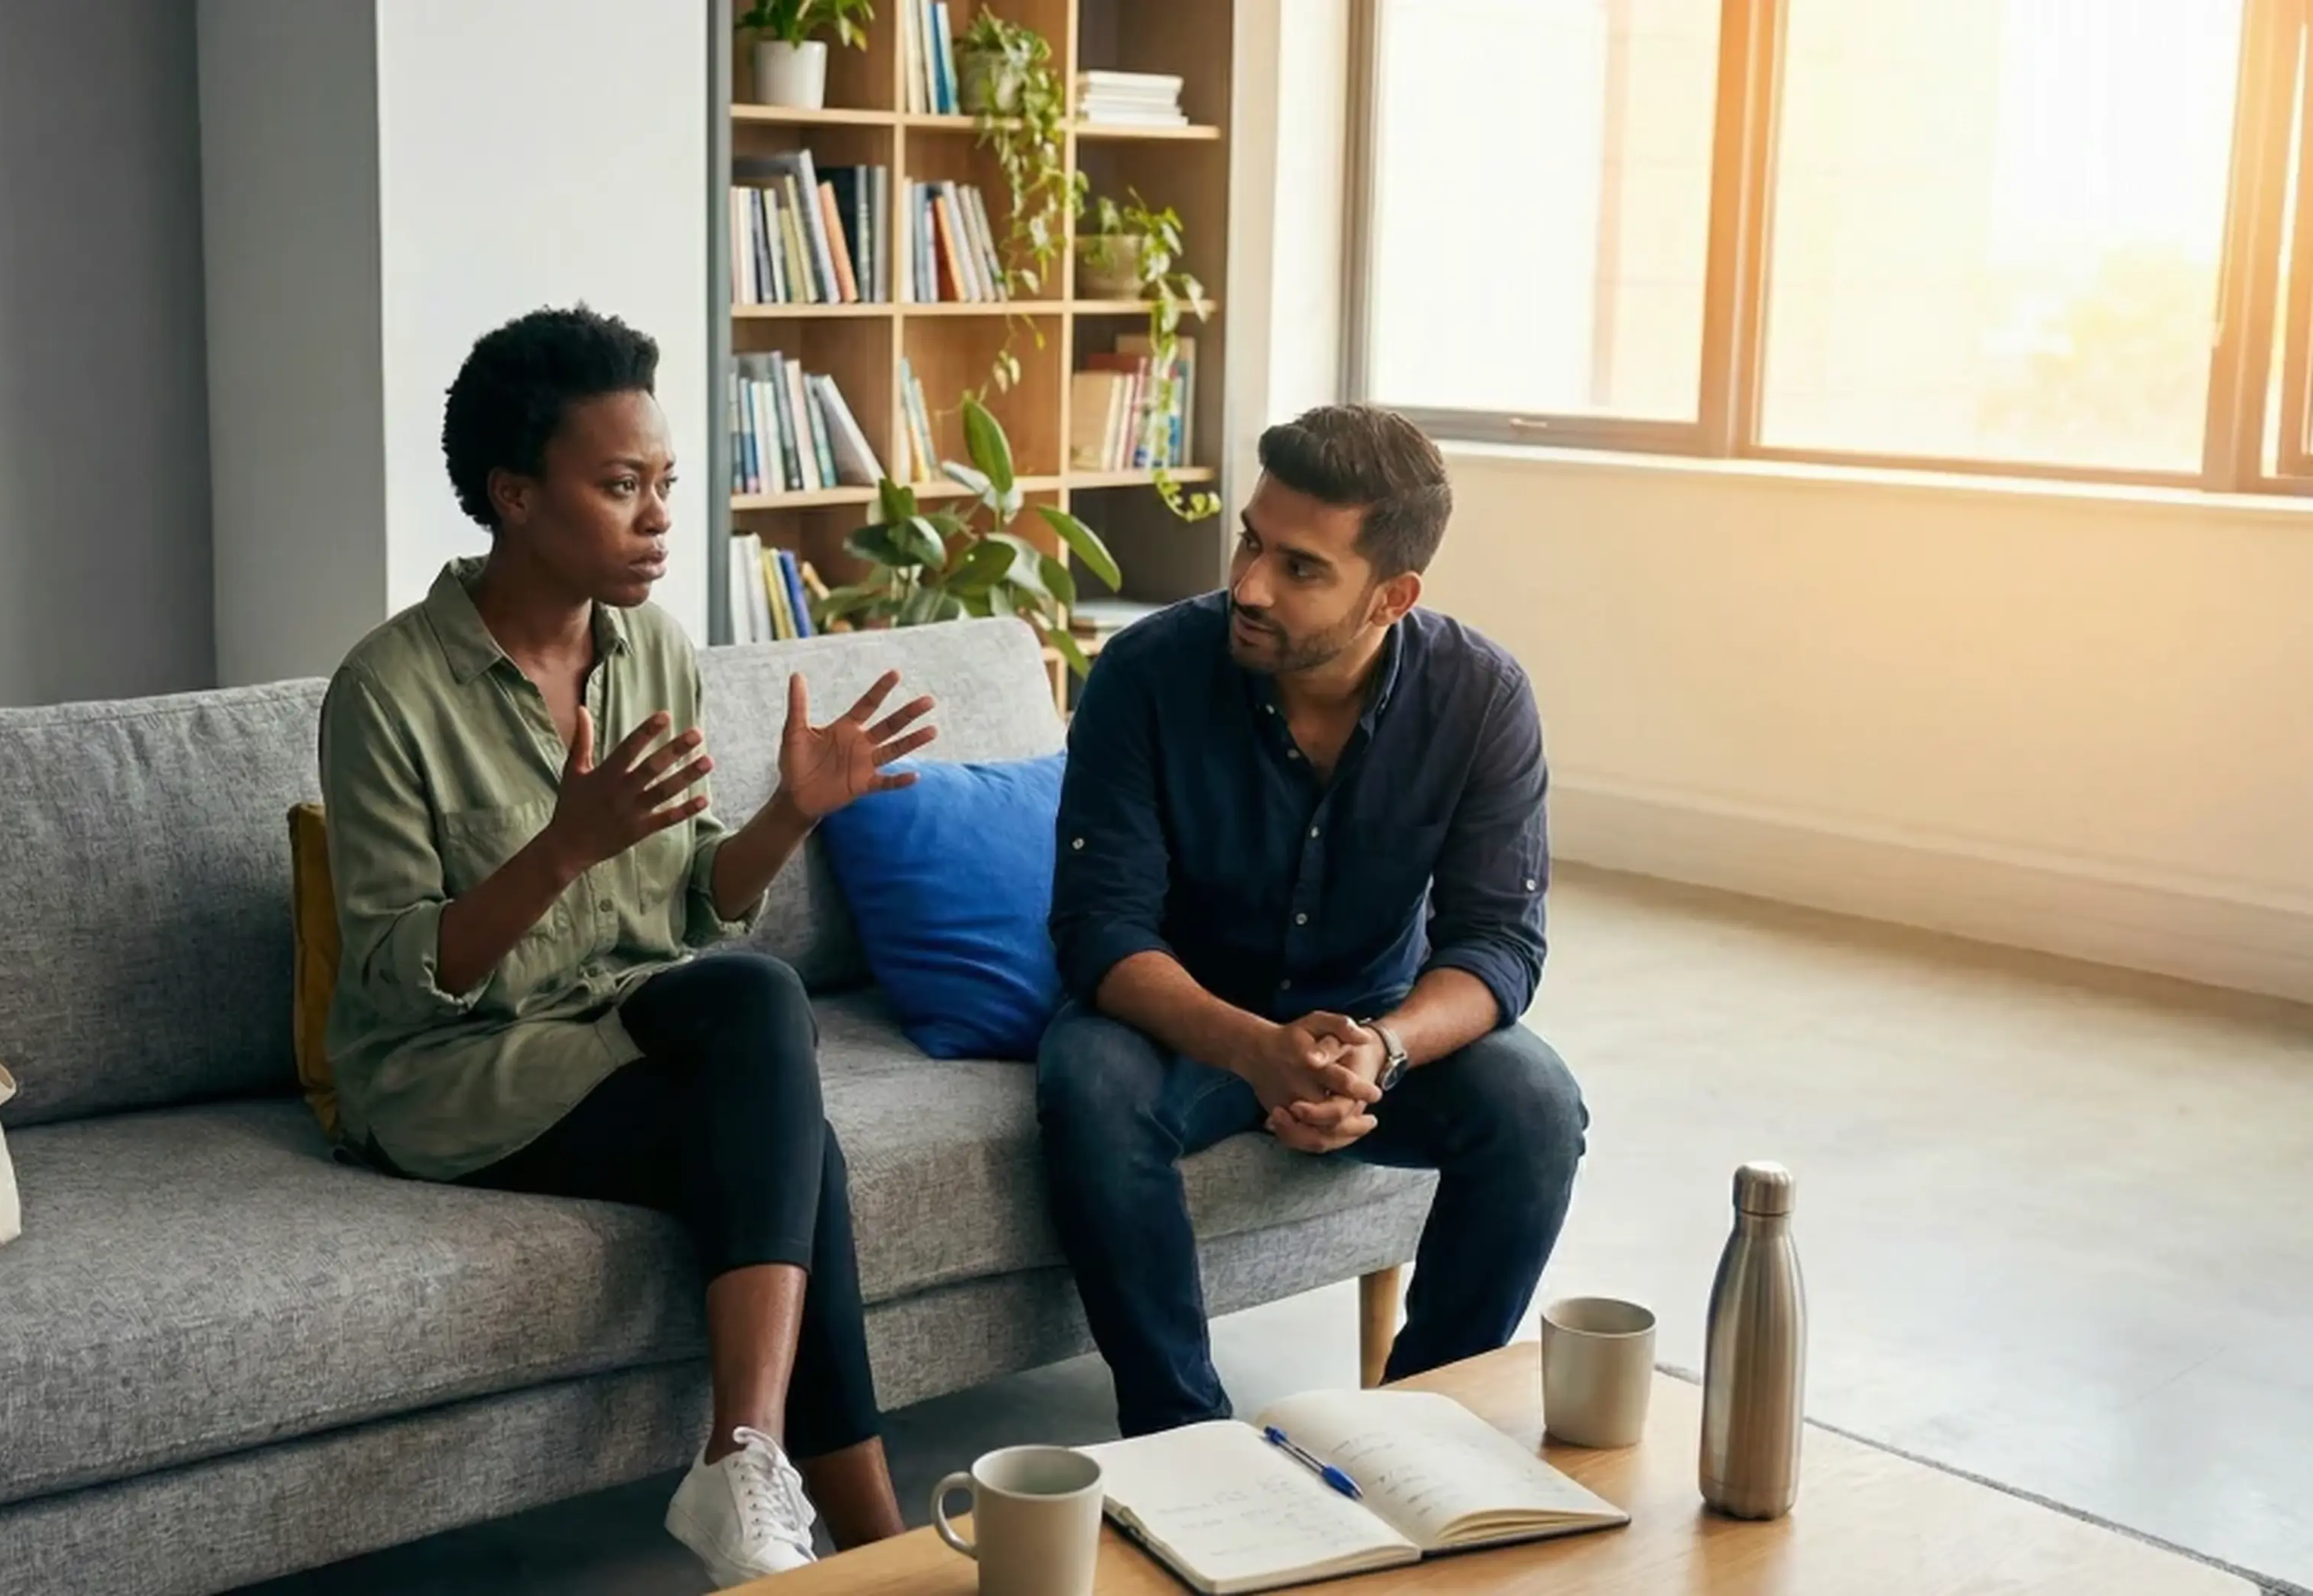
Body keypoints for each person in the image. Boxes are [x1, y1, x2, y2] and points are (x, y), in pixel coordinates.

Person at [317, 307, 935, 1585]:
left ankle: (772, 1496)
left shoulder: (651, 647)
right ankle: (869, 1534)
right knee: (775, 1085)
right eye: (620, 487)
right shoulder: (388, 691)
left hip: (622, 1035)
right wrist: (559, 848)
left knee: (777, 1108)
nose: (659, 517)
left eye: (665, 483)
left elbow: (699, 902)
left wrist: (792, 813)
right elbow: (396, 974)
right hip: (454, 1081)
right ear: (516, 497)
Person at [1037, 403, 1588, 1437]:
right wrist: (1256, 1051)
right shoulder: (1145, 672)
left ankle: (1424, 1430)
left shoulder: (1482, 697)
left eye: (1300, 568)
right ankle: (1185, 1440)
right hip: (1180, 1024)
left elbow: (1499, 943)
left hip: (1368, 1030)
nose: (1248, 583)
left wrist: (1382, 1049)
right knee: (1088, 1076)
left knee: (1537, 1103)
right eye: (1251, 540)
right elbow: (1101, 930)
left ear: (1394, 595)